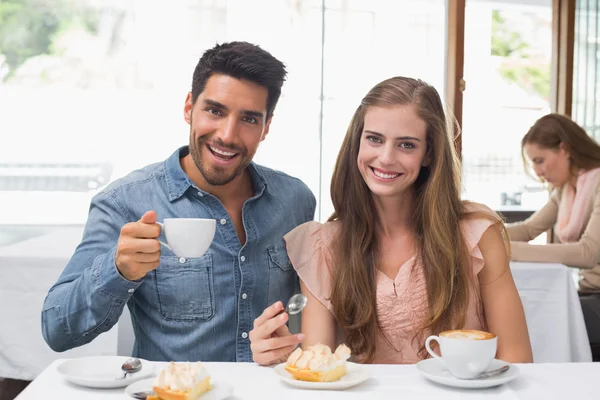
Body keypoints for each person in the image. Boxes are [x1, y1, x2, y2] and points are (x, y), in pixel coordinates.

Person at [41, 41, 316, 362]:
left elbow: (310, 310)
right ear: (189, 108)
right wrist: (117, 270)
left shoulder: (296, 201)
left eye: (249, 119)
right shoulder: (123, 202)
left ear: (266, 127)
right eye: (215, 110)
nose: (227, 135)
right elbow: (56, 330)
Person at [249, 76, 532, 365]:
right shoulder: (323, 246)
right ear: (357, 141)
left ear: (429, 154)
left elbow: (518, 359)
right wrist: (282, 357)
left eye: (406, 145)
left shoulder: (476, 233)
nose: (385, 158)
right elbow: (319, 366)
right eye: (374, 139)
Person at [504, 113, 600, 358]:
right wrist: (477, 229)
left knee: (533, 322)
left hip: (597, 297)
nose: (537, 172)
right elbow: (527, 230)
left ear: (565, 149)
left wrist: (505, 249)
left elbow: (587, 253)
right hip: (587, 292)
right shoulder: (567, 189)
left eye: (540, 161)